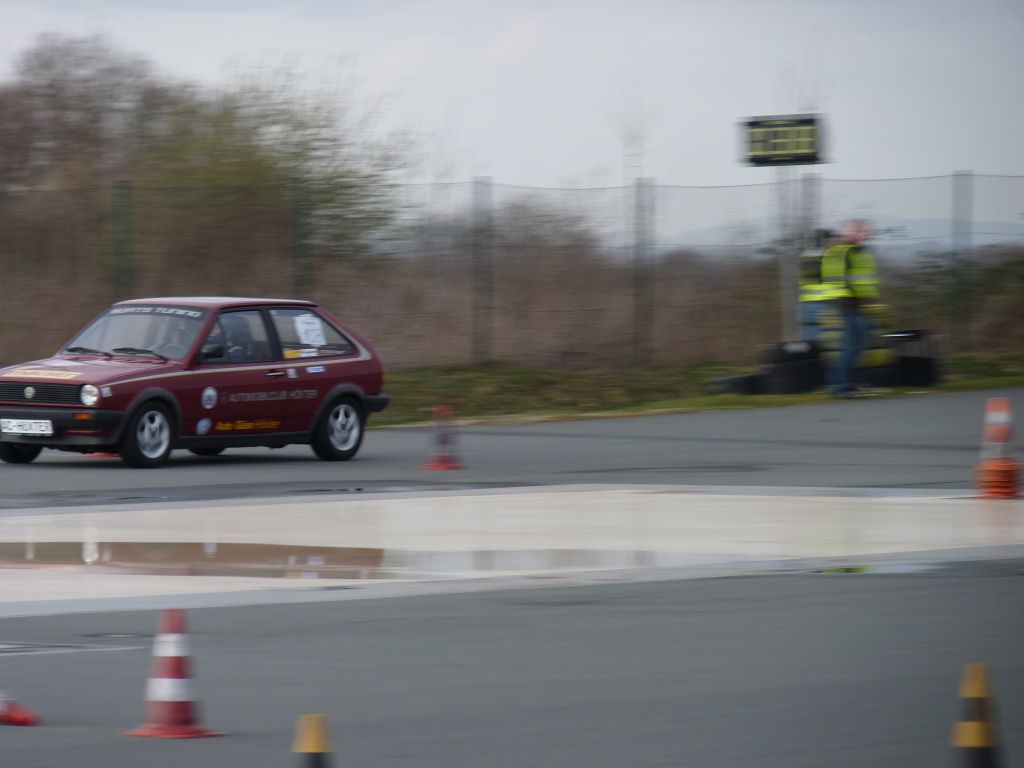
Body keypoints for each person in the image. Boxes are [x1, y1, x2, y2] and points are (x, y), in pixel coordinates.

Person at [820, 219, 880, 397]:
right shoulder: (843, 251)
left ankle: (845, 383)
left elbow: (863, 278)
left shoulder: (859, 251)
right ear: (848, 232)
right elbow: (838, 280)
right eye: (859, 231)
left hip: (857, 305)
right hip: (848, 305)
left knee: (857, 345)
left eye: (865, 231)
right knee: (852, 346)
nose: (864, 234)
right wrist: (847, 301)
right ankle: (841, 386)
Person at [798, 228, 836, 342]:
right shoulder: (825, 257)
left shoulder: (805, 255)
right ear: (822, 241)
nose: (831, 243)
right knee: (823, 339)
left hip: (807, 303)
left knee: (811, 337)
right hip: (822, 302)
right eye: (829, 240)